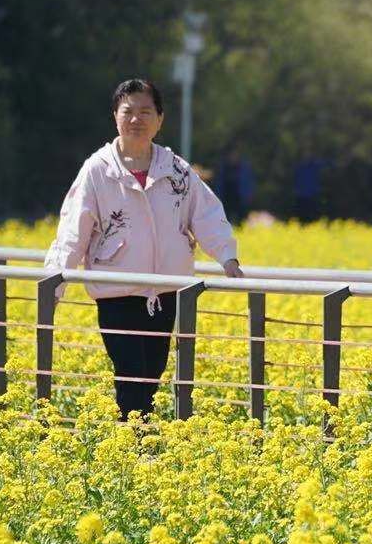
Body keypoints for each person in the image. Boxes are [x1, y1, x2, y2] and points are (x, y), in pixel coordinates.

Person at [44, 79, 243, 420]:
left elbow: (206, 213)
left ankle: (139, 442)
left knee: (151, 374)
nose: (137, 119)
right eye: (129, 112)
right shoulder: (98, 169)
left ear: (160, 119)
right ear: (115, 118)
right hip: (117, 292)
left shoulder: (177, 170)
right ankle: (134, 442)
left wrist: (227, 256)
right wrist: (54, 280)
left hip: (165, 291)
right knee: (131, 373)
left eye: (146, 112)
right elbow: (73, 226)